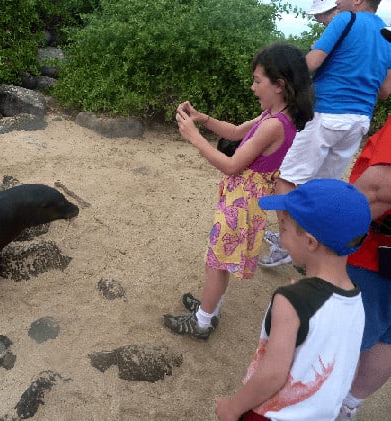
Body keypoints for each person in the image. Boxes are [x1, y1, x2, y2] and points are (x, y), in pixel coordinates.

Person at [162, 42, 314, 340]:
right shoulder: (274, 115)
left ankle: (203, 321)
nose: (253, 86)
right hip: (245, 199)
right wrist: (202, 119)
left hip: (243, 202)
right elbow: (234, 132)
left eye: (258, 81)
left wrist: (195, 138)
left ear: (280, 85)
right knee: (219, 258)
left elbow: (232, 166)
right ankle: (210, 308)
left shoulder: (274, 125)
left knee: (216, 261)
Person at [215, 179, 371, 421]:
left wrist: (232, 408)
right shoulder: (356, 298)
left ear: (310, 242)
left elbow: (272, 375)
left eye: (284, 228)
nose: (281, 236)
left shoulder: (290, 301)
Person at [260, 0, 391, 267]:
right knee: (321, 185)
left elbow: (311, 63)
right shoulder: (387, 35)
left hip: (327, 112)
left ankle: (288, 244)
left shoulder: (345, 19)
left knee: (287, 178)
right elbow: (384, 91)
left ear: (358, 0)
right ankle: (310, 244)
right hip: (358, 122)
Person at [334, 114, 391, 420]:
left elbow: (378, 188)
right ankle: (349, 405)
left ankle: (326, 402)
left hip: (374, 259)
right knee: (388, 337)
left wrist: (326, 234)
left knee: (345, 336)